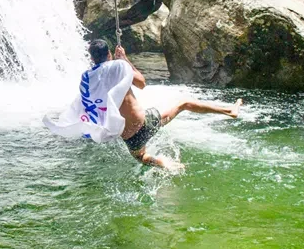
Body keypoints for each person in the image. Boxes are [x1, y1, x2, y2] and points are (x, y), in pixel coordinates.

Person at [44, 39, 242, 170]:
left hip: (127, 135)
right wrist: (125, 59)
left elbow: (89, 99)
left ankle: (165, 164)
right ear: (109, 55)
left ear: (92, 58)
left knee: (142, 156)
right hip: (143, 122)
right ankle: (230, 110)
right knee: (183, 103)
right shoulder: (119, 66)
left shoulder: (87, 78)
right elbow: (141, 83)